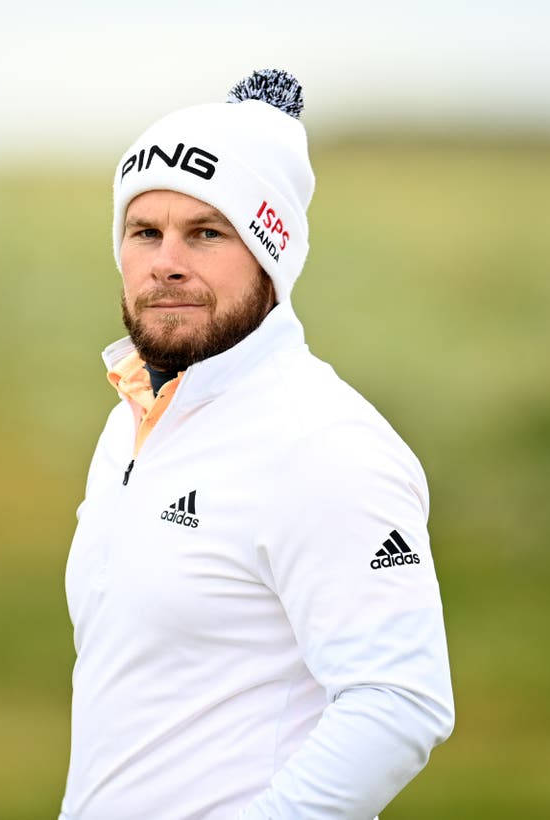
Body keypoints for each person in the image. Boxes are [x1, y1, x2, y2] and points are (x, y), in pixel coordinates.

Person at [60, 70, 454, 820]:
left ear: (272, 256)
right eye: (146, 232)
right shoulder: (134, 418)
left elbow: (399, 702)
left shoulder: (326, 445)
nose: (166, 261)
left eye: (207, 233)